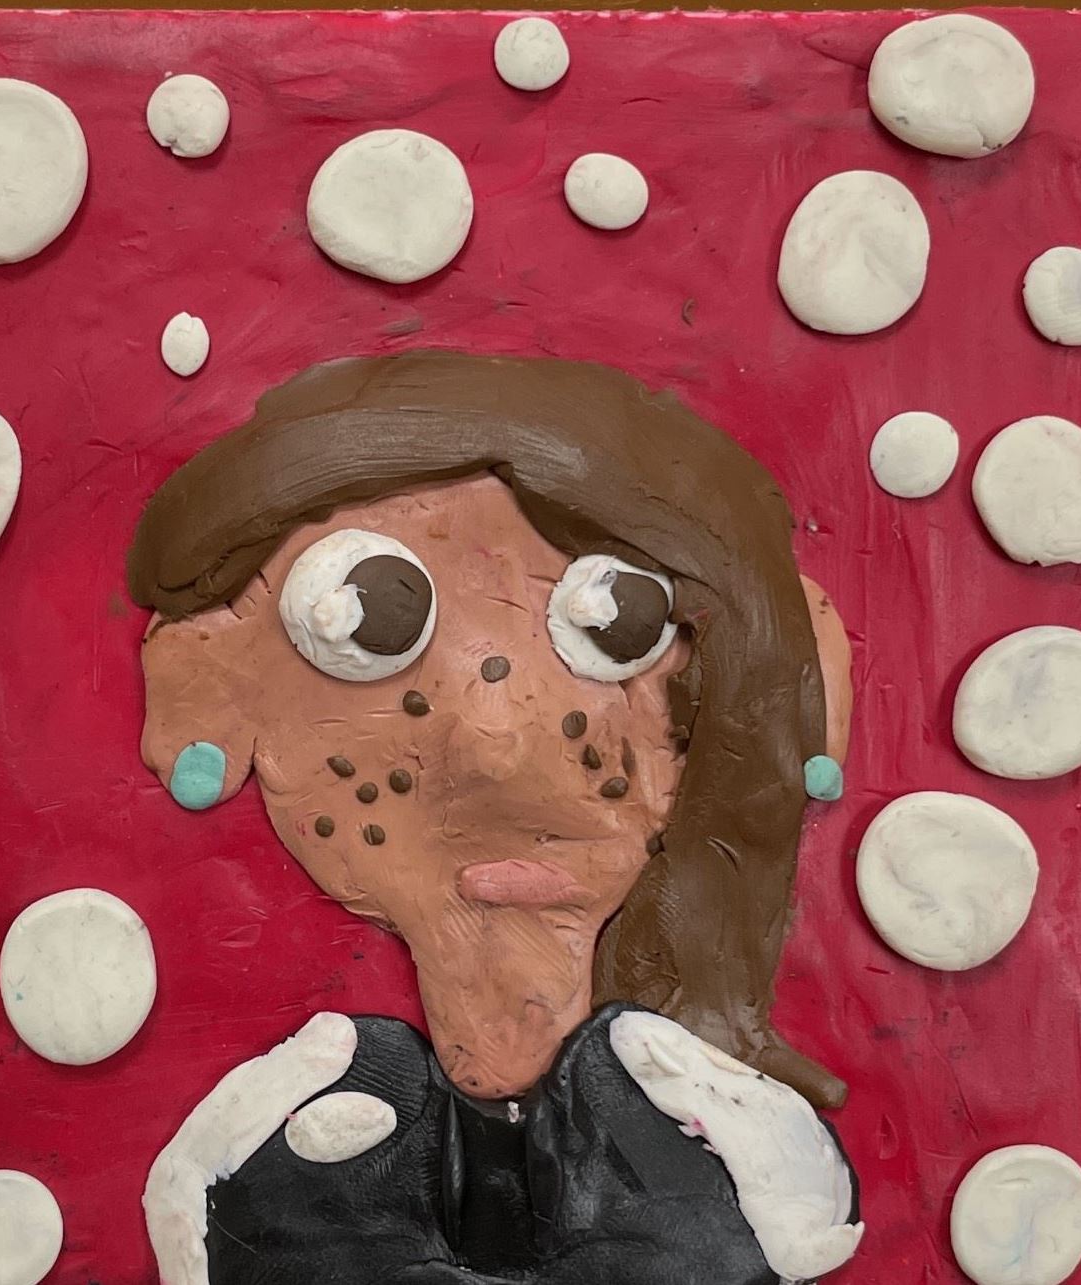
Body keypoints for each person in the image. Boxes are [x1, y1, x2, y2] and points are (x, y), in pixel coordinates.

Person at [127, 352, 861, 1285]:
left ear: (793, 687)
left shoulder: (745, 1185)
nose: (497, 740)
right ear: (198, 689)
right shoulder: (277, 1172)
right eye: (369, 619)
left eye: (624, 620)